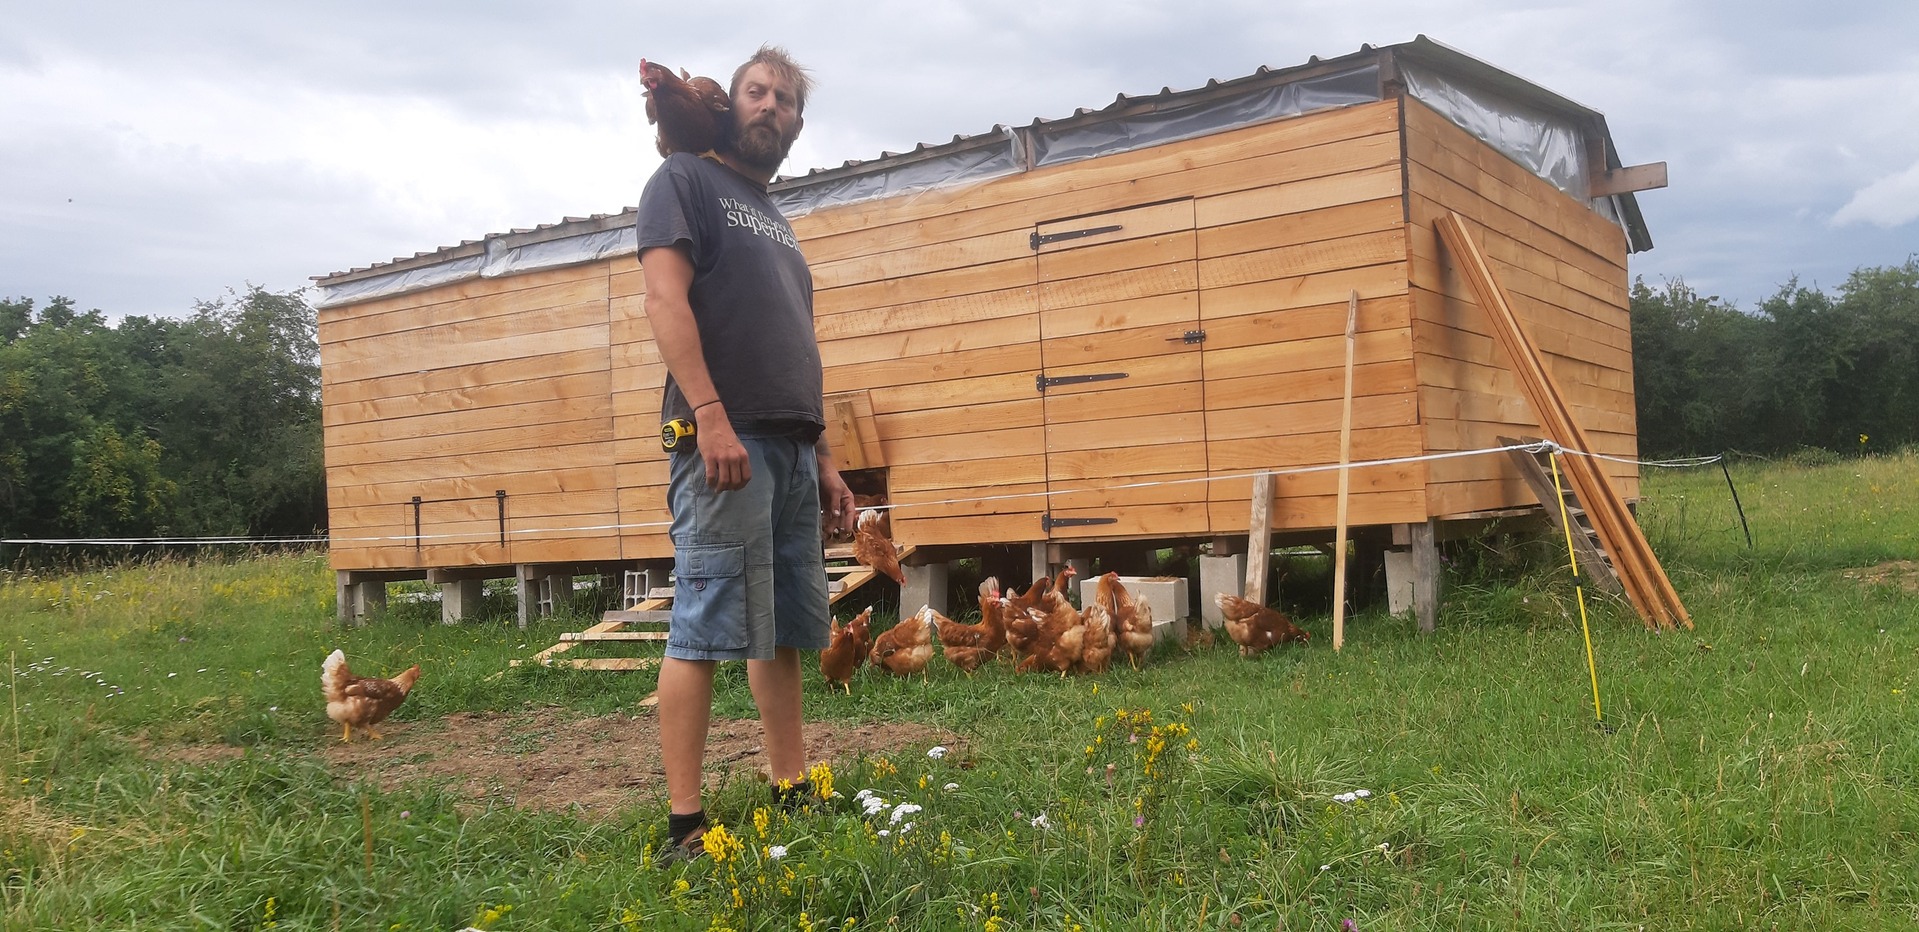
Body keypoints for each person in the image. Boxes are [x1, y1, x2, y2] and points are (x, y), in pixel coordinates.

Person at [635, 45, 856, 861]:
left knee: (787, 633)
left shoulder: (776, 217)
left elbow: (795, 342)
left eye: (786, 100)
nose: (770, 106)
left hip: (793, 449)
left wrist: (826, 458)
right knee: (700, 627)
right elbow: (664, 299)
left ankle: (789, 787)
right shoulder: (684, 182)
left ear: (797, 123)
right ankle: (683, 827)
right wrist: (709, 416)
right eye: (756, 93)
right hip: (723, 441)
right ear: (729, 107)